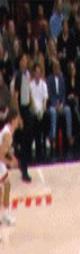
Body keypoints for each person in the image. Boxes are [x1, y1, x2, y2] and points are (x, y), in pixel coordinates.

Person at [13, 52, 32, 182]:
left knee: (28, 138)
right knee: (25, 140)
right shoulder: (19, 76)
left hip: (27, 107)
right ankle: (24, 168)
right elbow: (15, 97)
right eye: (24, 60)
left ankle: (24, 164)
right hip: (22, 109)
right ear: (20, 62)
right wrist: (18, 115)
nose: (26, 62)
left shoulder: (27, 74)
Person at [0, 109, 21, 226]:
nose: (19, 121)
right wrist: (10, 163)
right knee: (4, 187)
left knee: (5, 186)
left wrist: (13, 157)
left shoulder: (8, 131)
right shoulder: (7, 134)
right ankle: (5, 215)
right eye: (17, 119)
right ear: (13, 120)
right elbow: (0, 154)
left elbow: (6, 148)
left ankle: (5, 215)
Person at [29, 63, 48, 163]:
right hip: (33, 110)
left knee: (45, 117)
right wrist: (36, 110)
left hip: (41, 109)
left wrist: (42, 109)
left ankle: (43, 142)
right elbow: (31, 100)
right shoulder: (30, 85)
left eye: (39, 72)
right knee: (34, 118)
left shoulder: (44, 85)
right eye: (36, 72)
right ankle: (35, 143)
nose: (37, 74)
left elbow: (45, 99)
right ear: (33, 73)